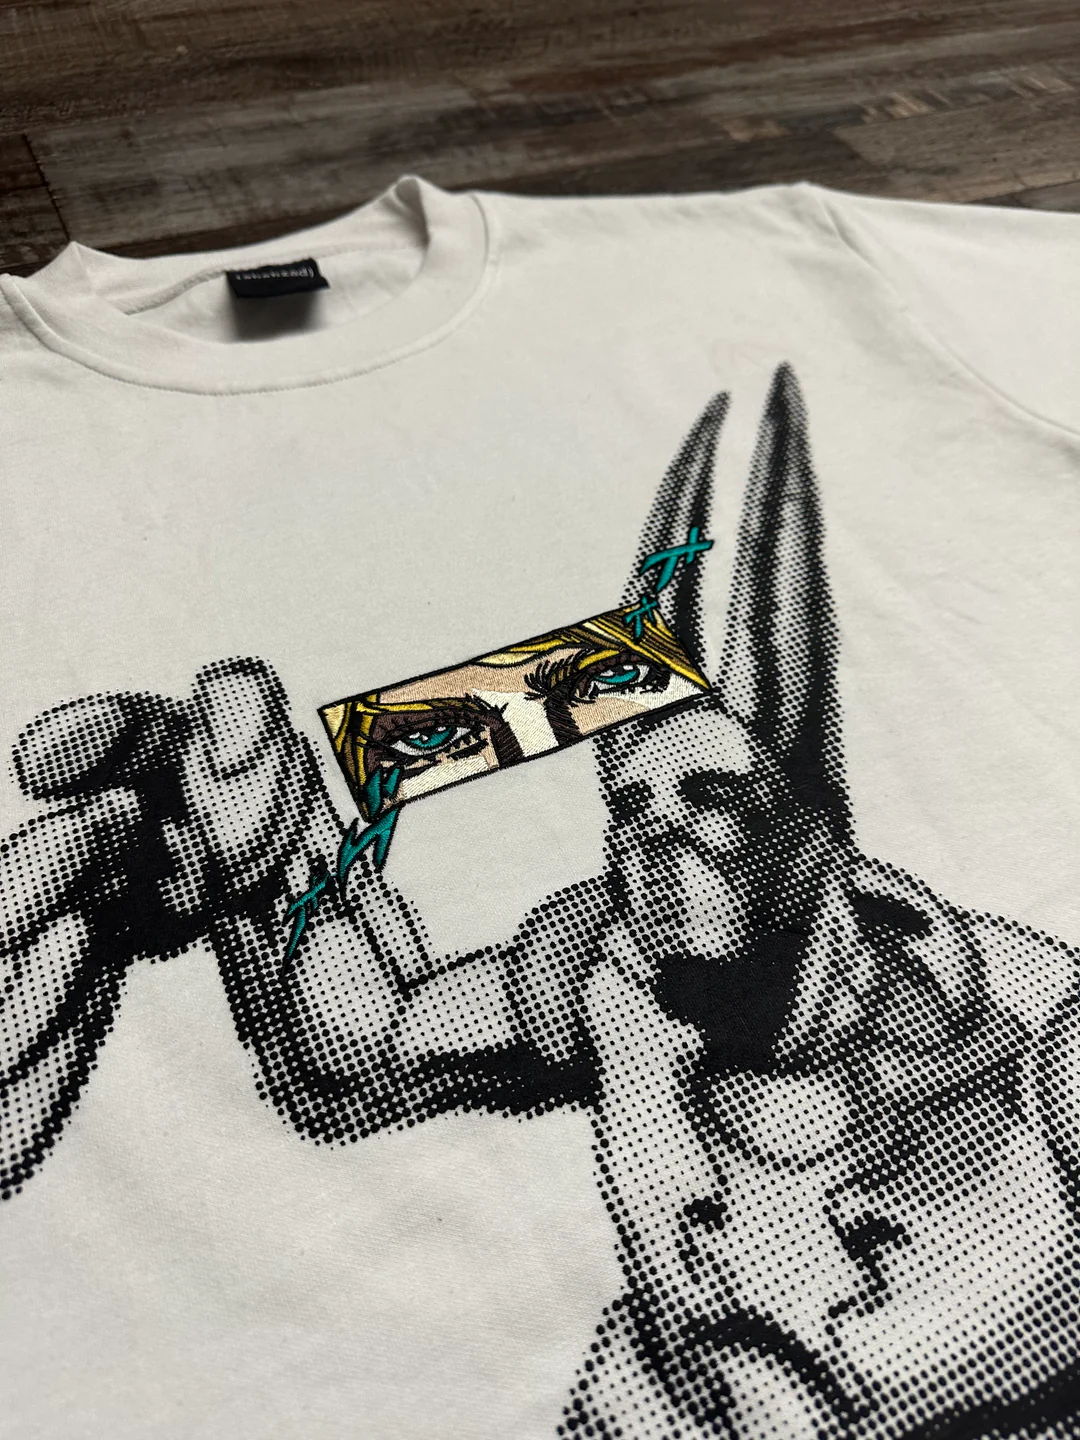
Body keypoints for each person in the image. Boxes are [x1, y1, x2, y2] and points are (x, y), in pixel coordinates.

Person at [2, 366, 1079, 1439]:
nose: (659, 833)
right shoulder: (613, 967)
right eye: (633, 806)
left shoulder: (1031, 1030)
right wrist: (270, 839)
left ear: (816, 839)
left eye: (714, 799)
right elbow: (367, 1038)